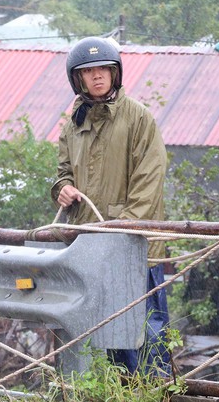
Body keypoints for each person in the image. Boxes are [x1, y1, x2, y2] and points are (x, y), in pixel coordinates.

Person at [51, 36, 172, 376]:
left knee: (145, 327)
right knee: (105, 330)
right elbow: (62, 175)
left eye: (104, 68)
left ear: (115, 73)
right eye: (89, 71)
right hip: (89, 246)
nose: (98, 76)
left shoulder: (137, 118)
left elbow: (150, 179)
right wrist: (63, 189)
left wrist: (122, 231)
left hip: (134, 246)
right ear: (78, 79)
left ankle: (154, 399)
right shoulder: (73, 126)